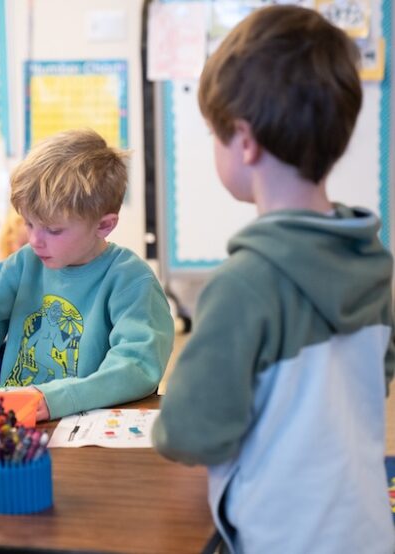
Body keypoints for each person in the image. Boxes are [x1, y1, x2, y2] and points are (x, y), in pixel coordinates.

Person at [152, 7, 395, 554]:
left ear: (244, 140)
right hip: (367, 531)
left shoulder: (242, 285)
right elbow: (375, 380)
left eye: (214, 134)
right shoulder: (373, 262)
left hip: (279, 539)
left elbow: (191, 434)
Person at [0, 129, 174, 420]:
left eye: (53, 230)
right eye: (29, 223)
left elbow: (138, 367)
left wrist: (59, 399)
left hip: (86, 425)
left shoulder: (130, 279)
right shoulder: (25, 262)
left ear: (104, 225)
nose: (36, 240)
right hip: (20, 421)